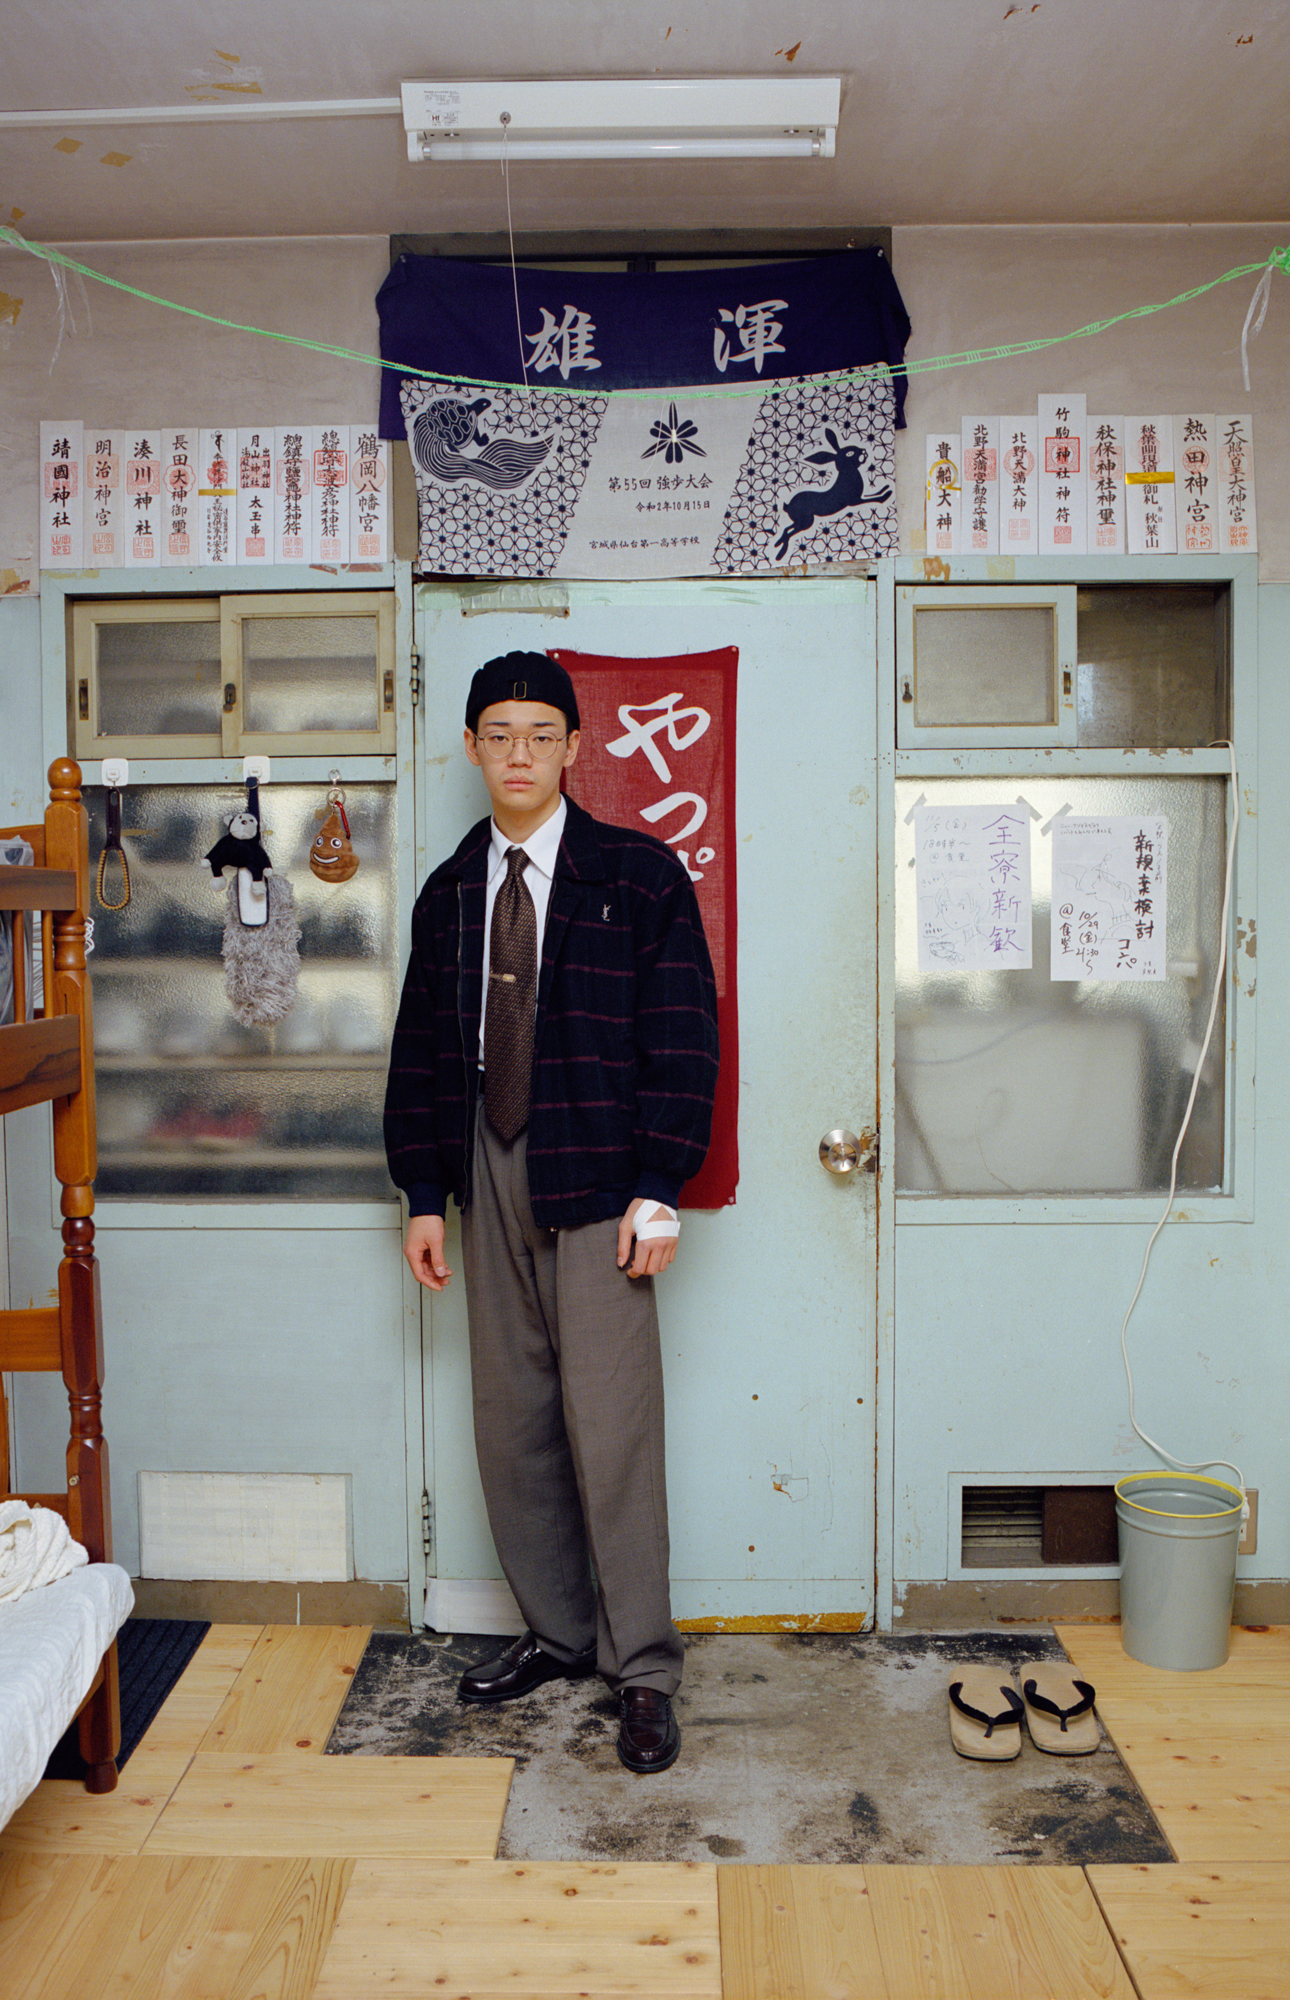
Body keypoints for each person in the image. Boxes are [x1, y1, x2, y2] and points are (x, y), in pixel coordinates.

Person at [384, 650, 719, 1774]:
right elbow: (425, 1057)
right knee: (511, 1418)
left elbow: (683, 1039)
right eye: (499, 733)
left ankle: (644, 1669)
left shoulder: (637, 874)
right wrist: (425, 1192)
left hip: (602, 1161)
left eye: (541, 733)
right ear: (471, 747)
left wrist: (661, 1184)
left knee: (611, 1428)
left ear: (576, 746)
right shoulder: (450, 890)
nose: (519, 753)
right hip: (488, 1160)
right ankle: (560, 1631)